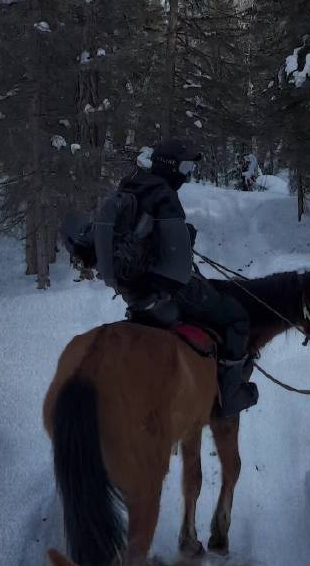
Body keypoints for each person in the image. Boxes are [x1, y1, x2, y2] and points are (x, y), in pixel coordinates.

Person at [64, 138, 258, 418]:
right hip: (163, 290)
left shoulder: (131, 184)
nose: (188, 173)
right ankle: (230, 396)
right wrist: (180, 246)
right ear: (171, 166)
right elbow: (177, 270)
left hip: (134, 290)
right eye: (186, 166)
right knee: (236, 316)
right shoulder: (164, 194)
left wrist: (180, 236)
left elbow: (135, 236)